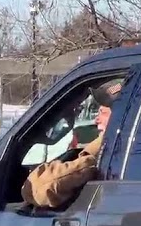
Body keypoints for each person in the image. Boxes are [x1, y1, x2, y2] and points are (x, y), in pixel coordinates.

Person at [21, 78, 121, 209]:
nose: (97, 119)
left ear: (119, 117)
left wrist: (95, 150)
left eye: (102, 112)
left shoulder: (108, 153)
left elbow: (40, 188)